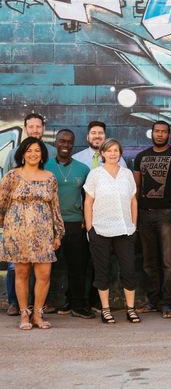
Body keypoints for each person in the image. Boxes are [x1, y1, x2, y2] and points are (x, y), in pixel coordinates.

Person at [0, 137, 63, 330]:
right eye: (29, 150)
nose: (33, 154)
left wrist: (58, 233)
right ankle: (24, 314)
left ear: (43, 154)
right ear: (22, 154)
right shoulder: (12, 175)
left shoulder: (50, 177)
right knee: (22, 273)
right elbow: (2, 204)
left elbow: (55, 208)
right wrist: (6, 230)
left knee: (44, 274)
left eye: (37, 150)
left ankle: (37, 314)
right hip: (18, 233)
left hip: (43, 233)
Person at [133, 120, 171, 318]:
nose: (160, 134)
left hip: (168, 213)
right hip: (145, 214)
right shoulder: (141, 157)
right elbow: (136, 188)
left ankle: (167, 303)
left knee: (168, 262)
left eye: (164, 132)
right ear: (152, 133)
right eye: (157, 131)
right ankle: (152, 301)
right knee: (148, 262)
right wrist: (135, 215)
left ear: (168, 135)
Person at [83, 139, 140, 324]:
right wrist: (90, 228)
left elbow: (133, 201)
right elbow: (88, 202)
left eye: (116, 150)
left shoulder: (127, 174)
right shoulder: (95, 174)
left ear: (120, 153)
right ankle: (105, 309)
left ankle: (130, 309)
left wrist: (133, 225)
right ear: (103, 154)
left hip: (125, 230)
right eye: (109, 151)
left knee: (129, 270)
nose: (113, 154)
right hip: (100, 229)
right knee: (102, 271)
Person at [43, 129, 93, 319]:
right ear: (55, 143)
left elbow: (88, 198)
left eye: (69, 142)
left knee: (78, 267)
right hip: (49, 225)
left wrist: (86, 220)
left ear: (73, 144)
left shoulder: (83, 169)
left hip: (75, 224)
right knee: (46, 268)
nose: (66, 145)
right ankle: (44, 304)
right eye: (62, 141)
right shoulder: (44, 167)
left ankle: (77, 305)